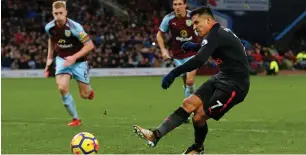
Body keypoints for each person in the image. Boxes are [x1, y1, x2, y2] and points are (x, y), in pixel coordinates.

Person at [133, 6, 250, 154]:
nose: (194, 28)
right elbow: (217, 47)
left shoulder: (215, 35)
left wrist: (174, 73)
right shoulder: (218, 33)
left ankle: (197, 149)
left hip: (235, 86)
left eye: (196, 23)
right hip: (222, 77)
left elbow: (199, 60)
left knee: (199, 117)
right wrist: (196, 46)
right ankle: (155, 135)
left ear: (208, 20)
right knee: (188, 103)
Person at [44, 1, 95, 126]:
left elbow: (90, 45)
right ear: (53, 14)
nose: (58, 16)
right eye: (56, 13)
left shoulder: (75, 27)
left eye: (61, 13)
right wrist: (49, 58)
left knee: (84, 95)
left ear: (66, 12)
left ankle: (89, 91)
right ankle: (75, 118)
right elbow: (51, 40)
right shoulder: (49, 27)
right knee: (62, 87)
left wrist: (74, 57)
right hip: (62, 60)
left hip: (79, 61)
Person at [156, 0, 201, 122]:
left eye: (180, 4)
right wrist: (163, 50)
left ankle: (186, 112)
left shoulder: (193, 17)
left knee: (190, 81)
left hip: (192, 54)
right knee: (186, 83)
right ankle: (190, 109)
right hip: (177, 56)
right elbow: (159, 35)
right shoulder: (168, 18)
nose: (177, 7)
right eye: (175, 5)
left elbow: (202, 31)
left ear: (185, 5)